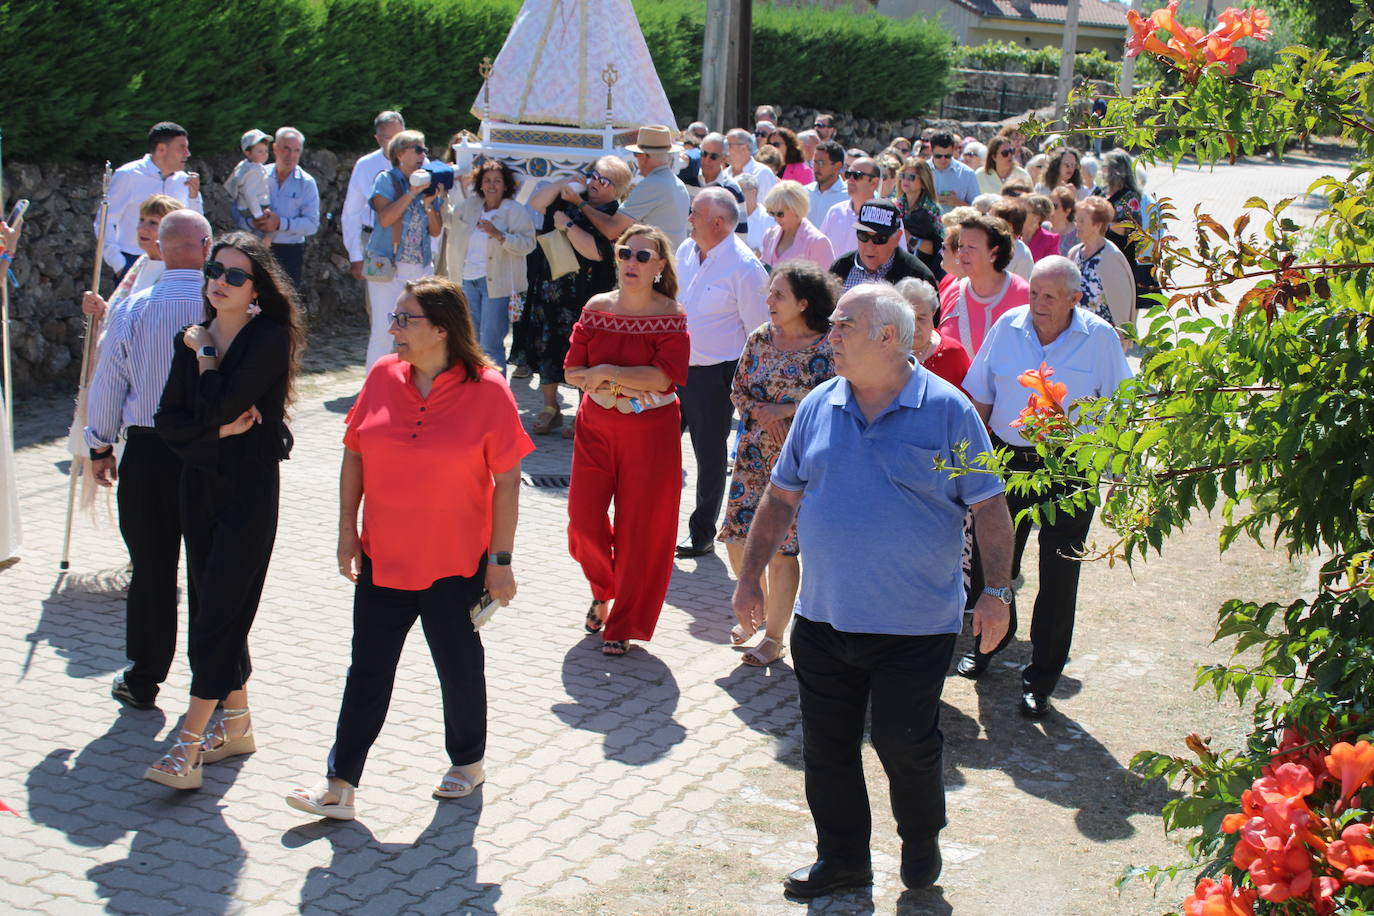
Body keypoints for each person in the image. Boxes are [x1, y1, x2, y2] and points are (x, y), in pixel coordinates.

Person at [732, 282, 1014, 899]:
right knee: (826, 750)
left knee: (903, 743)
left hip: (914, 626)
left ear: (887, 337)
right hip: (825, 619)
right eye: (832, 325)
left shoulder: (948, 410)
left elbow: (990, 506)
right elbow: (781, 497)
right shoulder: (817, 406)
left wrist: (998, 591)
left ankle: (920, 839)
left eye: (842, 327)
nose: (829, 336)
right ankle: (843, 861)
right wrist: (750, 575)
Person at [284, 277, 531, 818]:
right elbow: (354, 456)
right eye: (394, 317)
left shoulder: (488, 390)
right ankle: (339, 784)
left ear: (441, 329)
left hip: (455, 563)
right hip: (383, 557)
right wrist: (348, 530)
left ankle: (467, 764)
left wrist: (500, 563)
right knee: (367, 671)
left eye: (404, 319)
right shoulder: (380, 376)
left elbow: (508, 481)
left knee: (458, 666)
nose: (392, 329)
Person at [143, 232, 303, 789]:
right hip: (199, 485)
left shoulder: (268, 336)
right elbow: (168, 422)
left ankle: (188, 742)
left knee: (218, 610)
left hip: (248, 489)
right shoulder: (192, 335)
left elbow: (220, 404)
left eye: (235, 275)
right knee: (216, 606)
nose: (220, 281)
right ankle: (236, 725)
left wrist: (208, 362)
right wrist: (213, 428)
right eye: (216, 269)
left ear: (256, 289)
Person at [958, 257, 1133, 718]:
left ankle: (1041, 677)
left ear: (1076, 298)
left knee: (1059, 577)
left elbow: (1122, 406)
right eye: (1033, 292)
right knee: (991, 563)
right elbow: (979, 394)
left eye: (1049, 296)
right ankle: (988, 645)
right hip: (1010, 462)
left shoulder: (1099, 339)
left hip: (1071, 467)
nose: (1037, 303)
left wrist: (1113, 466)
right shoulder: (1008, 326)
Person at [84, 210, 214, 711]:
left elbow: (108, 379)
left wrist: (100, 443)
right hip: (207, 448)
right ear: (205, 245)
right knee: (209, 568)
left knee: (152, 568)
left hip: (148, 447)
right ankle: (218, 678)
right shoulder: (220, 304)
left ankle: (144, 676)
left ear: (159, 248)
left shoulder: (136, 306)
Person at [564, 225, 691, 656]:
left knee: (643, 531)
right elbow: (571, 371)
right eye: (624, 253)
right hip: (596, 428)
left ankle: (623, 623)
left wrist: (609, 375)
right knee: (583, 521)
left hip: (651, 433)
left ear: (659, 266)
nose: (631, 262)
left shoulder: (671, 313)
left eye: (642, 256)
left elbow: (663, 377)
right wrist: (624, 382)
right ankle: (604, 586)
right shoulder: (596, 308)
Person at [719, 261, 836, 666]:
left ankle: (773, 636)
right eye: (770, 292)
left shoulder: (828, 346)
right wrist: (763, 412)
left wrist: (785, 410)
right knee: (738, 543)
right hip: (752, 458)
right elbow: (737, 391)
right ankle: (760, 607)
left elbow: (839, 399)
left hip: (800, 464)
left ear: (804, 303)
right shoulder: (759, 339)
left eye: (778, 294)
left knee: (783, 551)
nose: (768, 299)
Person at [674, 188, 769, 559]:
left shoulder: (745, 268)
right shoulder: (684, 251)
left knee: (709, 456)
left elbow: (759, 332)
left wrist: (745, 388)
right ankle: (656, 524)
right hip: (672, 369)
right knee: (657, 449)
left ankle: (702, 533)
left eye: (694, 212)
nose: (689, 218)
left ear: (717, 222)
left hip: (715, 376)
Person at [523, 157, 633, 436]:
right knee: (548, 347)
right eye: (593, 175)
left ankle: (583, 412)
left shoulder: (614, 214)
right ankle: (550, 409)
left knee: (585, 355)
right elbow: (537, 203)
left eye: (603, 180)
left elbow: (597, 253)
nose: (595, 182)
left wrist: (569, 226)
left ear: (616, 189)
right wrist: (567, 182)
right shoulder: (571, 199)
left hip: (586, 295)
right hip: (551, 289)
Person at [440, 159, 535, 373]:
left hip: (497, 285)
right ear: (480, 184)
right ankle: (473, 390)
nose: (492, 185)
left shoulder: (514, 210)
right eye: (487, 180)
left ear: (506, 185)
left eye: (497, 181)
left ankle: (495, 395)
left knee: (491, 342)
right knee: (469, 340)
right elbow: (449, 222)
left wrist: (499, 235)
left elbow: (528, 244)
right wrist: (441, 197)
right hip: (466, 281)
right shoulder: (469, 206)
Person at [361, 130, 445, 369]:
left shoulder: (428, 182)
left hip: (420, 267)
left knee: (419, 329)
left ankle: (411, 384)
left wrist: (429, 206)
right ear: (400, 154)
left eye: (425, 149)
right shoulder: (385, 180)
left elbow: (436, 231)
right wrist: (411, 193)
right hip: (387, 266)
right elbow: (386, 219)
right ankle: (374, 391)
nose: (423, 154)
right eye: (418, 149)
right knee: (383, 330)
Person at [99, 122, 203, 277]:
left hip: (174, 263)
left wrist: (194, 197)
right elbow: (104, 220)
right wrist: (119, 264)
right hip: (133, 260)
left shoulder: (184, 181)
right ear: (161, 149)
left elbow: (195, 225)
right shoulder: (128, 175)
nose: (187, 153)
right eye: (182, 148)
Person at [575, 125, 692, 251]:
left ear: (645, 156)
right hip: (671, 264)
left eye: (636, 153)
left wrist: (579, 203)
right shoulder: (678, 184)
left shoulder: (652, 185)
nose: (636, 158)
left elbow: (611, 229)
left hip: (656, 265)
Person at [80, 194, 184, 324]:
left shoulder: (176, 273)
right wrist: (101, 310)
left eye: (153, 223)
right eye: (142, 220)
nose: (142, 228)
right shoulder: (142, 263)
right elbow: (125, 313)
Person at [939, 213, 1030, 357]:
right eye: (961, 246)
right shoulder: (952, 292)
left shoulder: (1022, 294)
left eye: (971, 247)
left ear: (994, 253)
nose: (962, 253)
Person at [342, 111, 406, 282]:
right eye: (388, 138)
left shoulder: (420, 163)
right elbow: (351, 212)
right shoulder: (365, 165)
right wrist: (355, 254)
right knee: (378, 303)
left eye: (399, 137)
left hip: (409, 242)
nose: (394, 143)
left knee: (412, 301)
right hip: (376, 241)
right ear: (377, 138)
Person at [1095, 150, 1160, 318]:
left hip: (1121, 257)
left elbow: (1128, 228)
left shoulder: (1129, 197)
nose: (1102, 171)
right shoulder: (1103, 192)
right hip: (1101, 254)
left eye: (1105, 167)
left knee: (1120, 310)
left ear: (1116, 170)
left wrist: (1101, 224)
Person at [253, 127, 319, 288]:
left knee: (285, 304)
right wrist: (252, 221)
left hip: (289, 252)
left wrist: (280, 223)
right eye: (286, 149)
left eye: (296, 151)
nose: (291, 155)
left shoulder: (307, 183)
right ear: (275, 148)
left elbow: (312, 224)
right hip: (257, 247)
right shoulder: (258, 175)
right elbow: (238, 209)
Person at [830, 199, 936, 291]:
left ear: (897, 238)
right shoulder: (841, 267)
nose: (870, 245)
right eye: (863, 235)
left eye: (879, 239)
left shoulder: (919, 277)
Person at [1070, 196, 1136, 333]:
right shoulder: (1074, 253)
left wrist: (1123, 335)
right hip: (1076, 332)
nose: (1077, 224)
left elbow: (1122, 301)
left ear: (1097, 225)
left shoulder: (1111, 258)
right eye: (1076, 220)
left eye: (1081, 221)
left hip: (1102, 336)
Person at [896, 277, 969, 390]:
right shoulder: (885, 351)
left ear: (933, 314)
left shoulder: (953, 353)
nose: (914, 326)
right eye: (907, 318)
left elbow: (968, 401)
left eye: (921, 318)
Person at [760, 180, 833, 271]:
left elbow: (826, 282)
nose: (775, 218)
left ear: (796, 209)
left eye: (779, 214)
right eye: (771, 213)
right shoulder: (769, 235)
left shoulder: (817, 242)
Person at [893, 158, 944, 280]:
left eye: (911, 177)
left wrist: (910, 239)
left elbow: (937, 247)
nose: (905, 180)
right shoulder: (895, 205)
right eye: (902, 175)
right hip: (897, 266)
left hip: (923, 270)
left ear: (923, 181)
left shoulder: (932, 209)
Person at [686, 133, 747, 234]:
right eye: (703, 154)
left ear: (724, 158)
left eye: (713, 156)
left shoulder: (732, 189)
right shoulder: (686, 179)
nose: (707, 160)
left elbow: (740, 233)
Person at [818, 157, 880, 257]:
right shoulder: (835, 212)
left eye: (857, 175)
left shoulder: (886, 217)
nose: (850, 180)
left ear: (874, 183)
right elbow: (819, 250)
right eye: (848, 174)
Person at [224, 130, 273, 236]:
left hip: (245, 207)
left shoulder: (244, 166)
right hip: (253, 209)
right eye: (259, 151)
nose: (264, 154)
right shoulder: (253, 171)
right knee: (257, 236)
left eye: (266, 151)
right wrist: (258, 215)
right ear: (247, 152)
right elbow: (250, 194)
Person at [929, 132, 980, 214]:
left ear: (953, 150)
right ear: (931, 150)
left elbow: (977, 210)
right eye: (938, 156)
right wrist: (931, 200)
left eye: (947, 156)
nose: (943, 160)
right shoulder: (921, 170)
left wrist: (957, 202)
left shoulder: (967, 173)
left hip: (957, 225)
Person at [724, 128, 779, 200]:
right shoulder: (724, 174)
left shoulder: (763, 173)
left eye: (728, 145)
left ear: (744, 147)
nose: (724, 149)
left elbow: (771, 207)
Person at [805, 140, 848, 224]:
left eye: (821, 163)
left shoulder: (848, 198)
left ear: (837, 166)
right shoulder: (804, 192)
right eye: (814, 162)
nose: (816, 168)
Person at [990, 198, 1034, 280]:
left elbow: (1023, 287)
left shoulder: (1022, 254)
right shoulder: (984, 244)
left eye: (993, 220)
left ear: (1009, 226)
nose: (987, 223)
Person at [1022, 194, 1061, 263]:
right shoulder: (1013, 236)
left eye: (1024, 211)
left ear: (1037, 218)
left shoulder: (1050, 240)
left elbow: (1050, 269)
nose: (1018, 213)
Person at [1049, 186, 1081, 256]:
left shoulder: (1078, 234)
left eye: (1054, 206)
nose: (1050, 210)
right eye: (1048, 205)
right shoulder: (1043, 228)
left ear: (1067, 211)